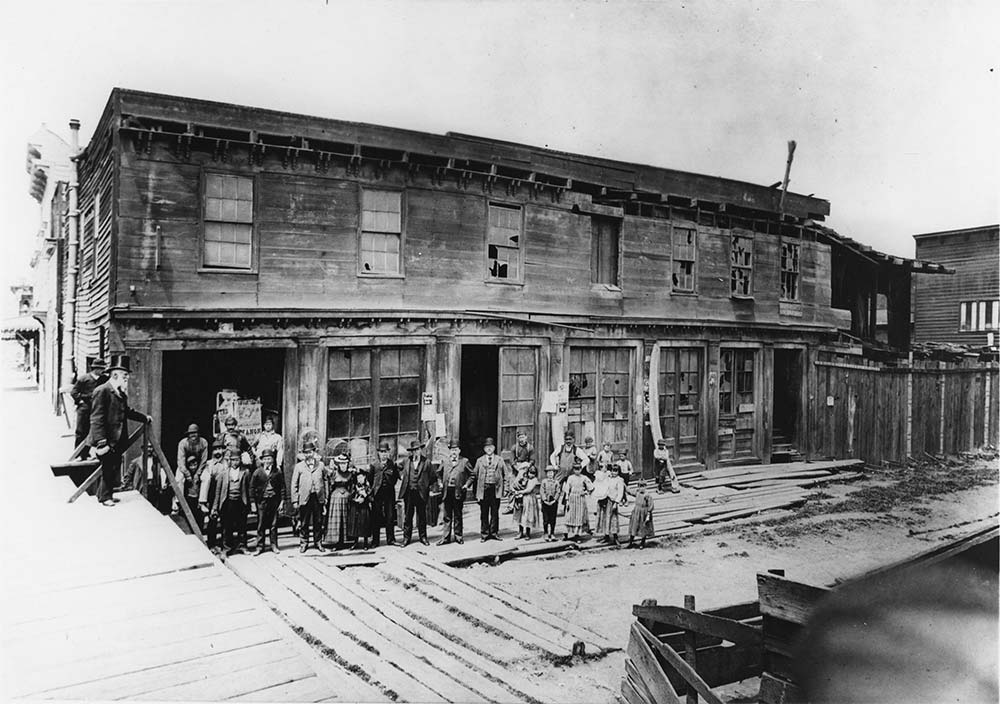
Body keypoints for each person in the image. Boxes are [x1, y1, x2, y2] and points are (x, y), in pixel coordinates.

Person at [89, 355, 151, 507]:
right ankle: (104, 497)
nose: (126, 379)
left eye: (127, 376)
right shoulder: (102, 391)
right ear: (114, 375)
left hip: (118, 439)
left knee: (114, 465)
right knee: (108, 467)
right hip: (106, 439)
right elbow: (97, 418)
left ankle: (107, 494)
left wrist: (144, 418)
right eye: (124, 376)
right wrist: (101, 442)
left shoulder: (120, 393)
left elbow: (127, 411)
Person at [212, 448, 251, 556]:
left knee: (242, 526)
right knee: (227, 526)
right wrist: (215, 507)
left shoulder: (245, 472)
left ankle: (242, 546)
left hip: (240, 502)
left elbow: (249, 490)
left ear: (240, 460)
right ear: (229, 461)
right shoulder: (224, 473)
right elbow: (218, 492)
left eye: (237, 460)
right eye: (233, 460)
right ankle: (226, 548)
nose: (235, 462)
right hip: (228, 502)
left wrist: (251, 504)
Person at [291, 440, 328, 553]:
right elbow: (294, 484)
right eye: (306, 453)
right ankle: (304, 543)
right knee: (304, 522)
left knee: (318, 521)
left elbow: (325, 480)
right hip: (305, 498)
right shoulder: (299, 466)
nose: (308, 454)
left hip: (317, 497)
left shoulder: (321, 465)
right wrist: (295, 500)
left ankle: (318, 542)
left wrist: (325, 496)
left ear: (314, 452)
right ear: (303, 454)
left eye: (310, 452)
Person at [397, 439, 433, 546]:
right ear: (411, 452)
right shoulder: (406, 461)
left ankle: (423, 537)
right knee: (408, 517)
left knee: (422, 516)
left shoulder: (426, 462)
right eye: (413, 450)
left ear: (420, 450)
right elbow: (397, 469)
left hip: (421, 493)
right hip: (409, 493)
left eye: (417, 450)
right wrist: (401, 477)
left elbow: (433, 477)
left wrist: (425, 485)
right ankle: (406, 538)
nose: (415, 452)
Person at [437, 439, 472, 545]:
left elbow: (472, 474)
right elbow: (438, 473)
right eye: (452, 450)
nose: (453, 452)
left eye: (455, 450)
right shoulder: (445, 461)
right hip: (447, 491)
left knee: (457, 514)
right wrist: (440, 483)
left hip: (458, 491)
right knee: (447, 515)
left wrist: (466, 484)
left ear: (459, 451)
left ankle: (458, 536)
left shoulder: (464, 461)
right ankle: (446, 537)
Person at [473, 437, 508, 542]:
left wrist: (506, 489)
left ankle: (494, 533)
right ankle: (484, 534)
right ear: (484, 449)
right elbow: (474, 476)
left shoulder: (499, 460)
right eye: (487, 447)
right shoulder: (479, 461)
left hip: (495, 489)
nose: (489, 449)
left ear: (494, 448)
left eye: (491, 447)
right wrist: (476, 493)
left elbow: (506, 475)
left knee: (495, 512)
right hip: (484, 489)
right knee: (484, 513)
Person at [251, 447, 284, 554]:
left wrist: (282, 501)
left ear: (273, 460)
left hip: (274, 501)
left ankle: (274, 545)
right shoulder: (257, 472)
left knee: (273, 525)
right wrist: (253, 503)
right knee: (261, 524)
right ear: (261, 460)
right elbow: (251, 487)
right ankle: (260, 546)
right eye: (265, 459)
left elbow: (282, 487)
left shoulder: (277, 472)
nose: (267, 461)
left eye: (269, 459)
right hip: (262, 501)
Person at [70, 358, 107, 453]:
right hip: (84, 409)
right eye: (101, 369)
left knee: (92, 432)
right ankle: (78, 454)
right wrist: (81, 400)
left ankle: (86, 453)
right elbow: (74, 392)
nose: (103, 371)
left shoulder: (104, 379)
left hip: (97, 410)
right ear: (96, 369)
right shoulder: (84, 379)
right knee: (81, 432)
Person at [369, 441, 399, 547]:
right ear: (378, 453)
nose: (384, 454)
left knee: (390, 516)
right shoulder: (374, 465)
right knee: (376, 517)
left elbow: (395, 477)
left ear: (388, 453)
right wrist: (373, 490)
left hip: (389, 494)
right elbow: (370, 479)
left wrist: (390, 485)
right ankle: (375, 541)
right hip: (377, 494)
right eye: (382, 452)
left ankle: (390, 539)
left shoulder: (392, 464)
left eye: (385, 452)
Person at [199, 440, 227, 552]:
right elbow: (205, 478)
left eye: (220, 449)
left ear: (223, 450)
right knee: (212, 520)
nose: (217, 452)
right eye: (215, 449)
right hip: (212, 494)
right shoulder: (209, 464)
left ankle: (224, 545)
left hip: (224, 494)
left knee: (225, 520)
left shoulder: (227, 463)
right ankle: (211, 544)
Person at [324, 451, 355, 550]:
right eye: (341, 463)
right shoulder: (334, 473)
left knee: (346, 519)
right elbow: (326, 476)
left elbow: (352, 486)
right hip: (336, 498)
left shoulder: (350, 474)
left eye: (345, 463)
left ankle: (346, 540)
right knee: (337, 520)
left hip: (346, 498)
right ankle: (336, 542)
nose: (343, 465)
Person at [560, 457, 593, 540]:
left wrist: (587, 492)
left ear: (581, 469)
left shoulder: (584, 477)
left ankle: (577, 535)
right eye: (575, 469)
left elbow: (591, 487)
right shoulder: (570, 478)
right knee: (569, 516)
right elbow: (567, 490)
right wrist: (567, 500)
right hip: (572, 498)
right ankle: (566, 534)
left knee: (579, 516)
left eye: (579, 469)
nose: (577, 471)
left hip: (580, 499)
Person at [603, 465, 627, 546]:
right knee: (606, 518)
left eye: (616, 471)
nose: (614, 472)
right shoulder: (608, 478)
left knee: (613, 519)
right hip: (607, 500)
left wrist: (616, 503)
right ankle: (606, 536)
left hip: (613, 502)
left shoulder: (619, 480)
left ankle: (615, 537)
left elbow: (620, 492)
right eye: (613, 470)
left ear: (618, 472)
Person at [180, 455, 204, 531]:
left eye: (195, 465)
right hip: (189, 499)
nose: (193, 467)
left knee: (199, 518)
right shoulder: (187, 477)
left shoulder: (199, 475)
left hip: (197, 500)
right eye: (191, 465)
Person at [627, 483, 655, 549]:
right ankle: (630, 542)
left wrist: (648, 514)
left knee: (643, 528)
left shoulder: (647, 495)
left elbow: (651, 505)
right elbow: (629, 491)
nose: (641, 488)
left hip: (644, 513)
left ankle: (642, 543)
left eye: (643, 486)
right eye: (640, 486)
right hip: (636, 512)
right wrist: (623, 484)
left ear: (646, 487)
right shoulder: (637, 493)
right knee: (634, 526)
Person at [515, 466, 539, 540]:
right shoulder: (525, 478)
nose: (531, 475)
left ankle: (528, 533)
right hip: (522, 499)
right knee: (520, 514)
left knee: (529, 516)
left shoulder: (534, 480)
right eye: (530, 473)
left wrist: (520, 492)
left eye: (533, 473)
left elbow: (529, 489)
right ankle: (520, 532)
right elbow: (517, 484)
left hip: (530, 499)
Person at [350, 468, 371, 550]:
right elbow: (350, 496)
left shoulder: (368, 486)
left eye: (361, 478)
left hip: (364, 508)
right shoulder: (354, 486)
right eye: (358, 478)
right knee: (355, 525)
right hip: (356, 507)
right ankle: (355, 542)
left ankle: (365, 543)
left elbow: (371, 498)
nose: (360, 480)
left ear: (365, 477)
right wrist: (355, 499)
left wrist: (365, 495)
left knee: (364, 524)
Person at [539, 465, 560, 542]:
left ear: (554, 473)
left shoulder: (556, 482)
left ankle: (552, 533)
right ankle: (545, 533)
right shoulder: (544, 482)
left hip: (553, 502)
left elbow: (558, 491)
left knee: (553, 519)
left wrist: (554, 500)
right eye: (548, 473)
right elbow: (542, 491)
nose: (550, 474)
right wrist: (544, 500)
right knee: (546, 519)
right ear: (546, 474)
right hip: (545, 503)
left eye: (551, 473)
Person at [592, 460, 611, 538]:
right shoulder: (599, 474)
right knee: (600, 514)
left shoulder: (608, 474)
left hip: (606, 494)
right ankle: (600, 531)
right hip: (600, 494)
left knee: (607, 515)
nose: (605, 468)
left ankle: (606, 532)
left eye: (606, 467)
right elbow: (597, 484)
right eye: (603, 467)